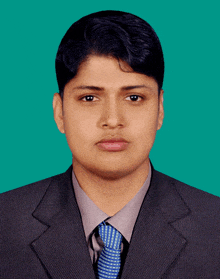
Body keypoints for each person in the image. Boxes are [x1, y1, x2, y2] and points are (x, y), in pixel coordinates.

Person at [1, 10, 220, 279]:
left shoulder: (214, 225)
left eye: (135, 97)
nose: (113, 120)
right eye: (90, 98)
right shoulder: (5, 222)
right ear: (59, 113)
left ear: (160, 109)